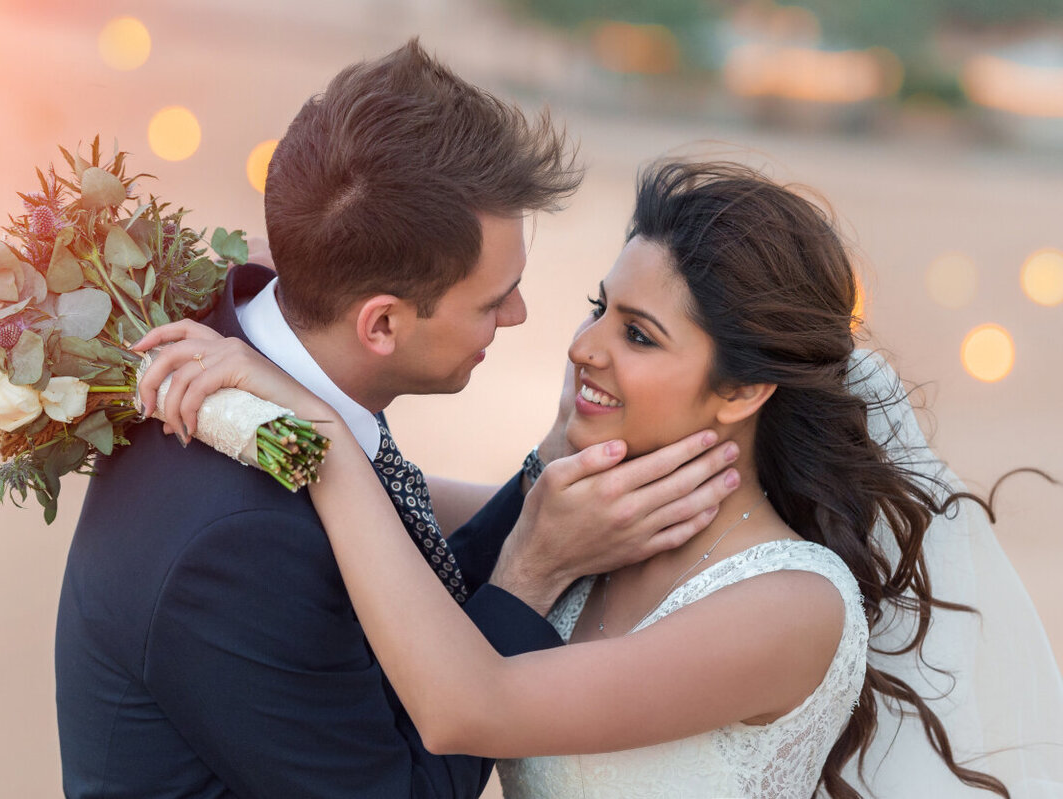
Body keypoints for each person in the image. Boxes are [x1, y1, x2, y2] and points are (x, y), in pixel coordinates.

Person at [139, 160, 1063, 798]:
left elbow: (469, 707)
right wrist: (257, 379)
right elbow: (396, 502)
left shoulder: (790, 607)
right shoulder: (595, 518)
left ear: (742, 388)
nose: (584, 346)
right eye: (600, 309)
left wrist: (324, 447)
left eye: (639, 333)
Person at [55, 43, 742, 798]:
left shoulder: (264, 333)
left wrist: (550, 470)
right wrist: (531, 571)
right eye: (492, 300)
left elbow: (407, 586)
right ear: (381, 325)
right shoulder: (237, 538)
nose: (517, 316)